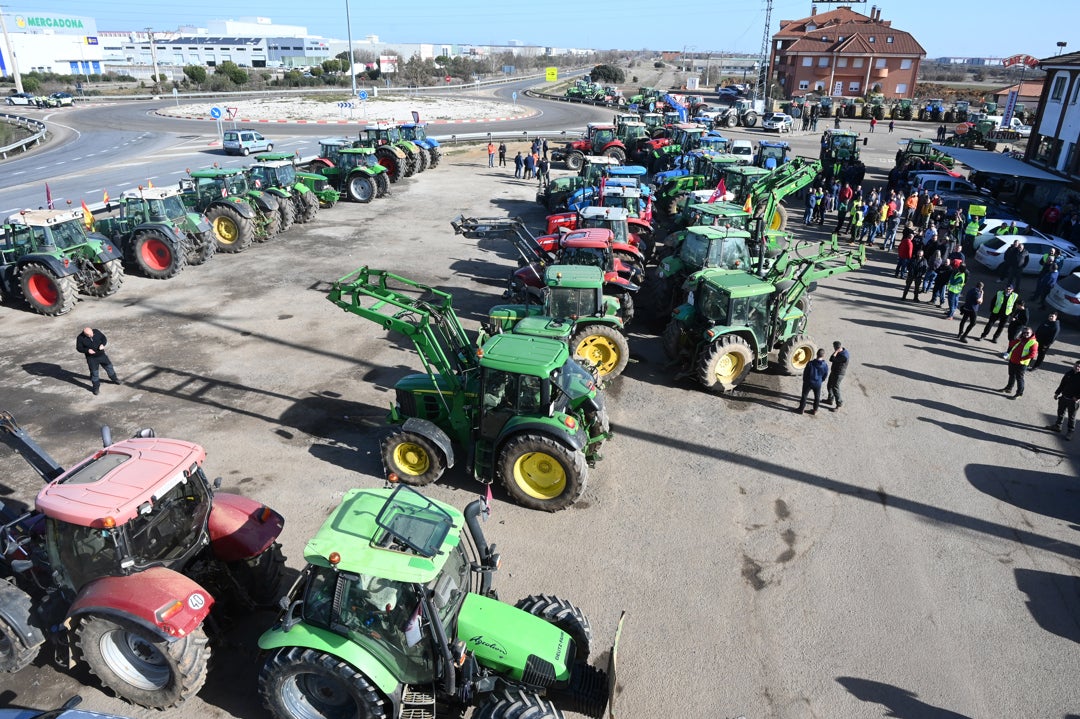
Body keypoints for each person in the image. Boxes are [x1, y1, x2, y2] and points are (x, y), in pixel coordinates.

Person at [76, 327, 120, 395]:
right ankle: (96, 387)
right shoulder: (80, 338)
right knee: (94, 373)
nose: (92, 335)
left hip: (102, 355)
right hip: (91, 358)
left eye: (92, 333)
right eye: (90, 335)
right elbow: (79, 348)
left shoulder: (96, 331)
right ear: (85, 334)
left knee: (109, 367)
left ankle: (115, 379)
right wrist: (87, 350)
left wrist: (103, 344)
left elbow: (104, 338)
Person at [999, 326, 1037, 399]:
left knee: (1019, 378)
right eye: (1024, 332)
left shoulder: (1033, 342)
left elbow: (1032, 354)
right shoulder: (1021, 339)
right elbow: (1011, 344)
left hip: (1021, 363)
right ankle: (1009, 388)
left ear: (1031, 333)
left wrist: (1022, 359)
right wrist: (1018, 339)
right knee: (1011, 375)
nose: (1025, 334)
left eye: (1027, 333)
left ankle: (1019, 393)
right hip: (1013, 360)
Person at [1050, 360, 1080, 439]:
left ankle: (1070, 432)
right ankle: (1057, 426)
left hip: (1073, 401)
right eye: (1076, 365)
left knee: (1071, 417)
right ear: (1073, 365)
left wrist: (1077, 397)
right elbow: (1062, 384)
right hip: (1064, 397)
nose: (1077, 367)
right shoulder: (1069, 373)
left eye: (1079, 367)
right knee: (1060, 412)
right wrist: (1057, 393)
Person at [797, 348, 829, 415]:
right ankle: (815, 410)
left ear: (816, 354)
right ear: (823, 356)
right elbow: (825, 375)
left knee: (804, 395)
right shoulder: (825, 365)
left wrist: (805, 381)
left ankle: (801, 409)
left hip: (809, 382)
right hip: (818, 383)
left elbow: (805, 373)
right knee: (817, 397)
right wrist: (821, 380)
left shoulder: (810, 363)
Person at [825, 341, 849, 410]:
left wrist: (836, 352)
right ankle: (830, 399)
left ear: (836, 347)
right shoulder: (841, 351)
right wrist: (837, 351)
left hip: (839, 374)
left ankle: (839, 403)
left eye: (834, 347)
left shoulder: (844, 356)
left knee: (835, 388)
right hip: (834, 372)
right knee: (829, 385)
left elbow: (831, 359)